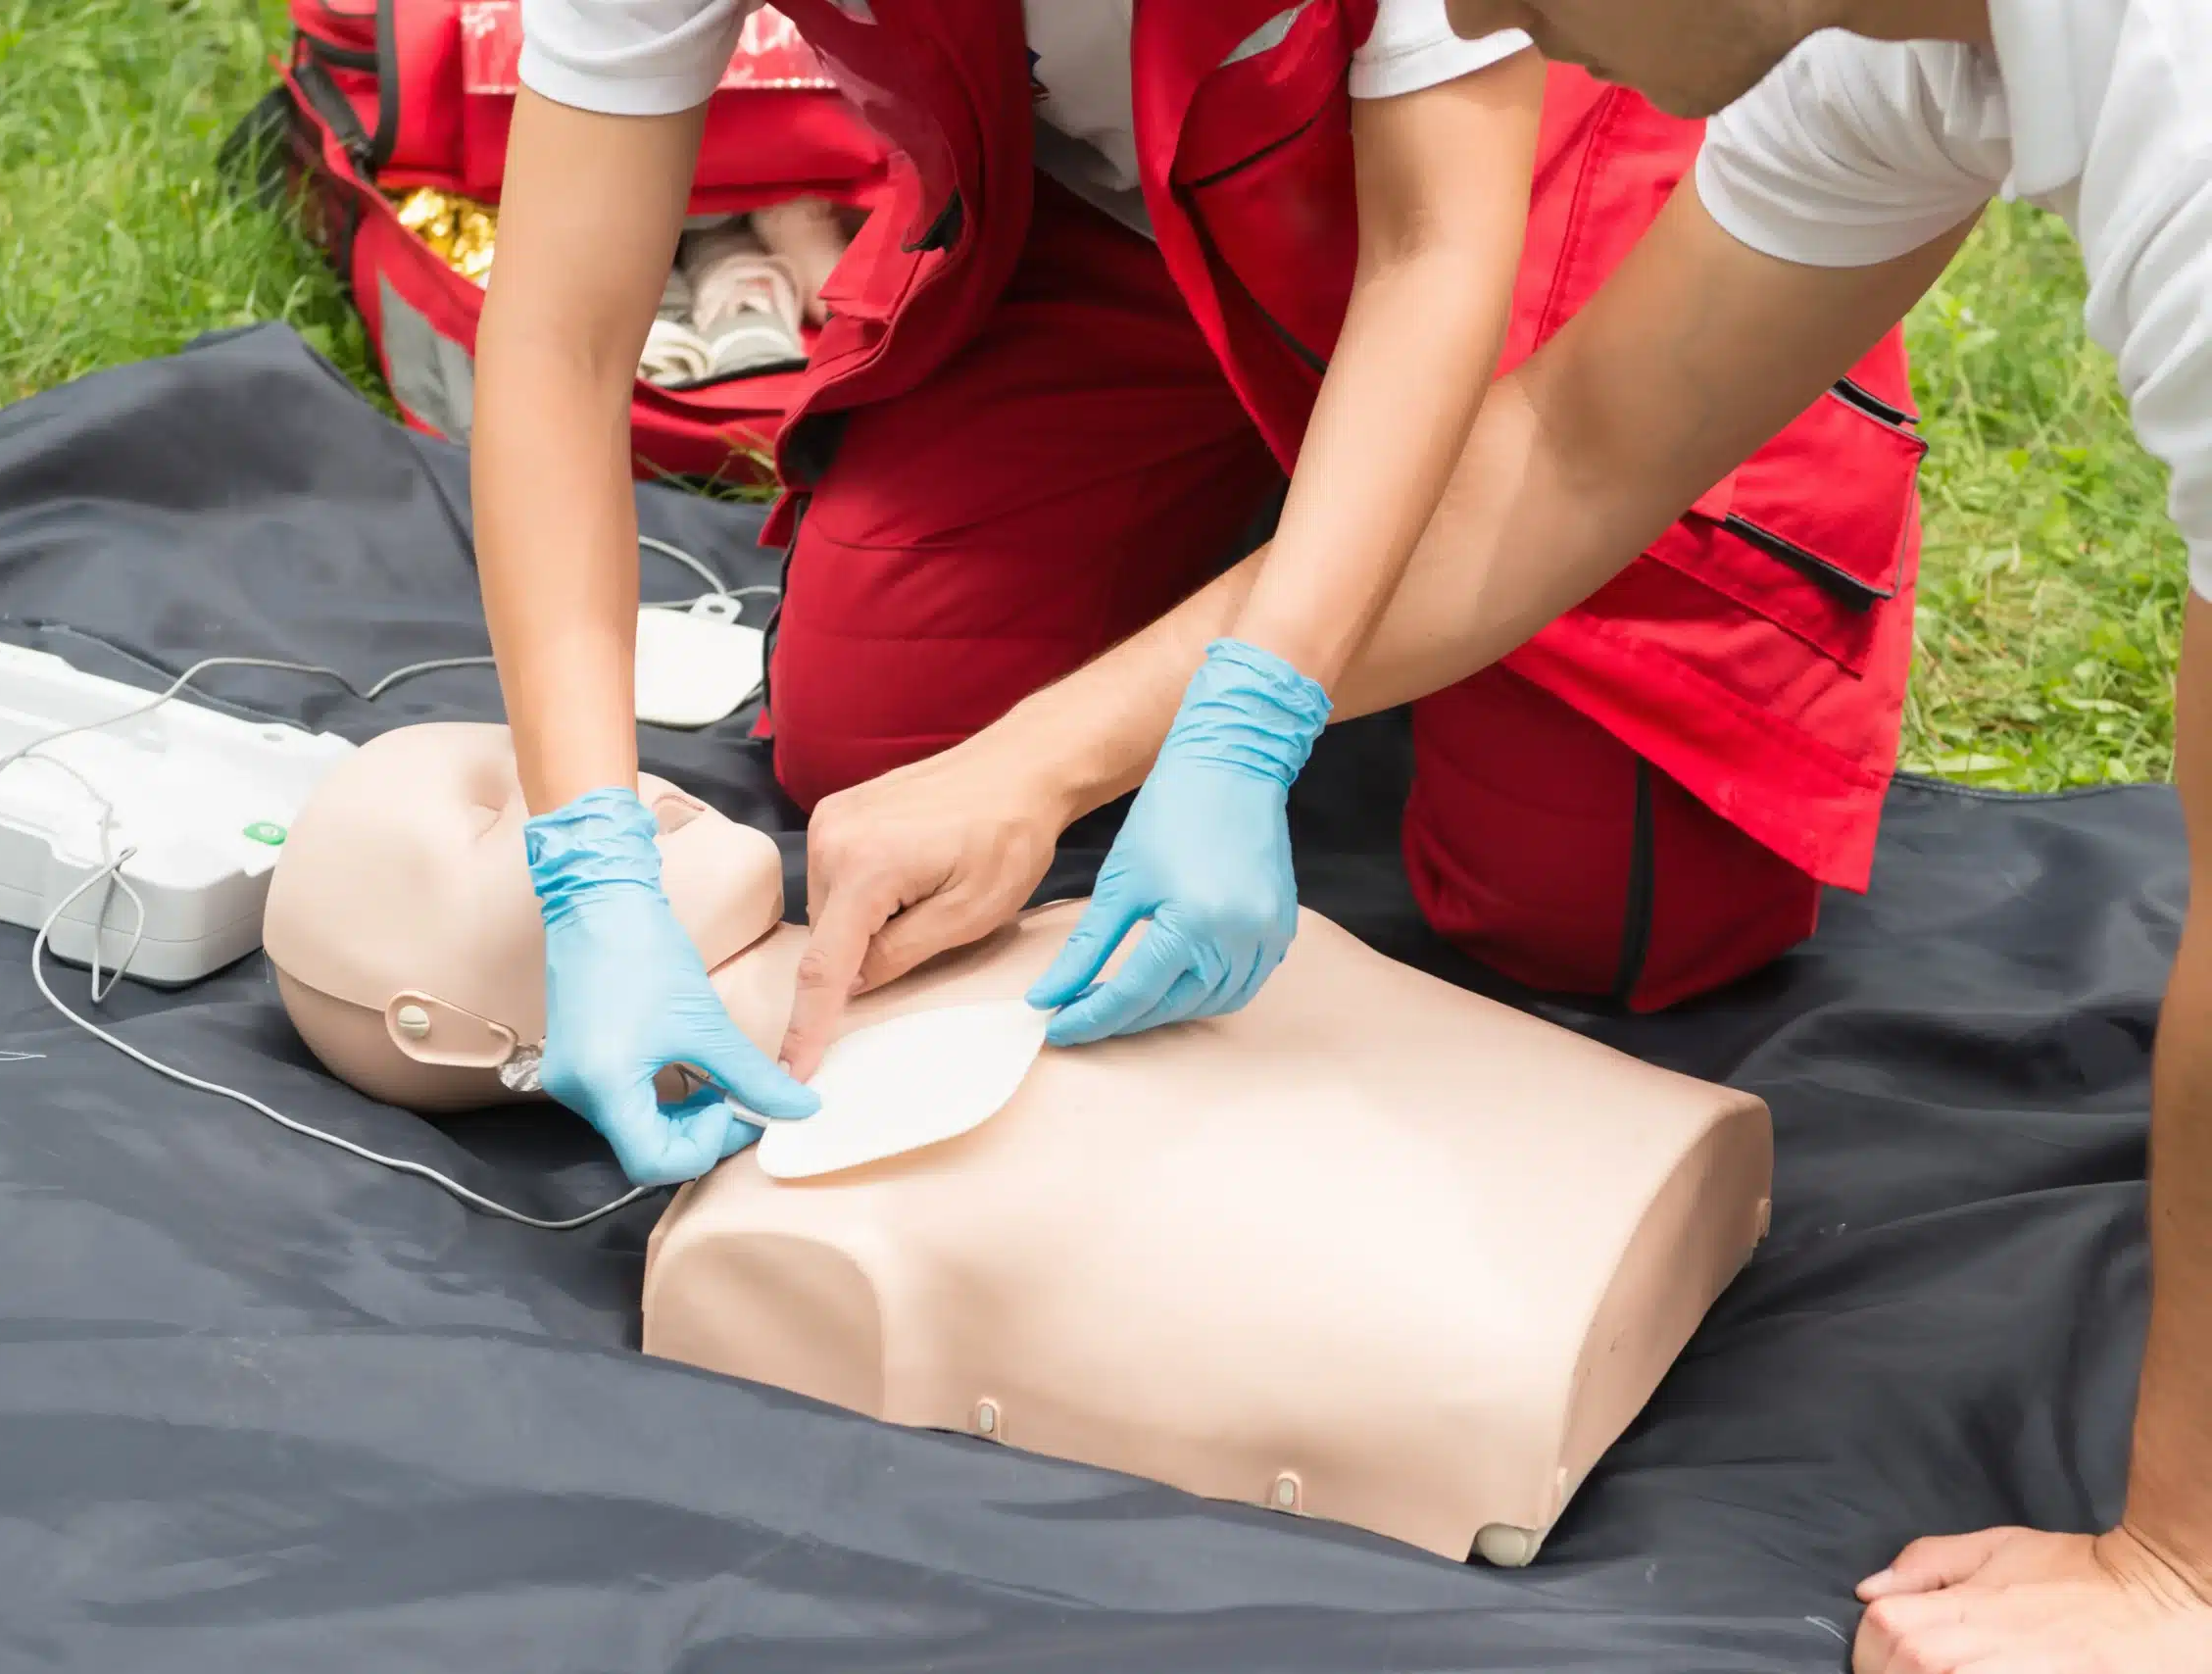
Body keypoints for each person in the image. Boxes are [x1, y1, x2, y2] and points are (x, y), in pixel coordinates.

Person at [795, 0, 2212, 1665]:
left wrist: (2177, 1563)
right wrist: (1043, 762)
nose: (1456, 17)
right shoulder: (1906, 53)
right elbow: (1570, 444)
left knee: (1620, 891)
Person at [473, 1, 1926, 1185]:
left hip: (1526, 170)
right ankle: (1263, 514)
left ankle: (1320, 563)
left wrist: (1248, 714)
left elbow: (1433, 254)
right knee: (875, 751)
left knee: (1600, 916)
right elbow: (556, 339)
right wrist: (589, 867)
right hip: (1121, 220)